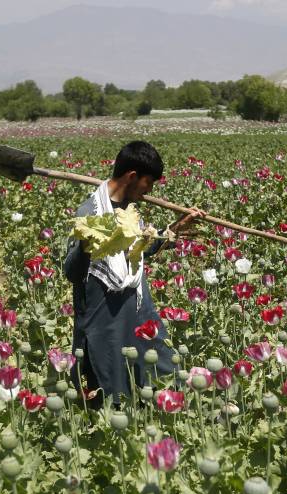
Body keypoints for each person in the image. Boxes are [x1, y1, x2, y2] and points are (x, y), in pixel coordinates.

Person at [63, 141, 204, 408]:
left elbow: (138, 250)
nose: (149, 191)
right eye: (147, 184)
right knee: (112, 394)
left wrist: (174, 230)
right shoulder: (89, 214)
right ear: (132, 177)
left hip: (137, 309)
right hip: (105, 318)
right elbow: (71, 272)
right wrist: (84, 244)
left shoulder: (129, 212)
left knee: (164, 373)